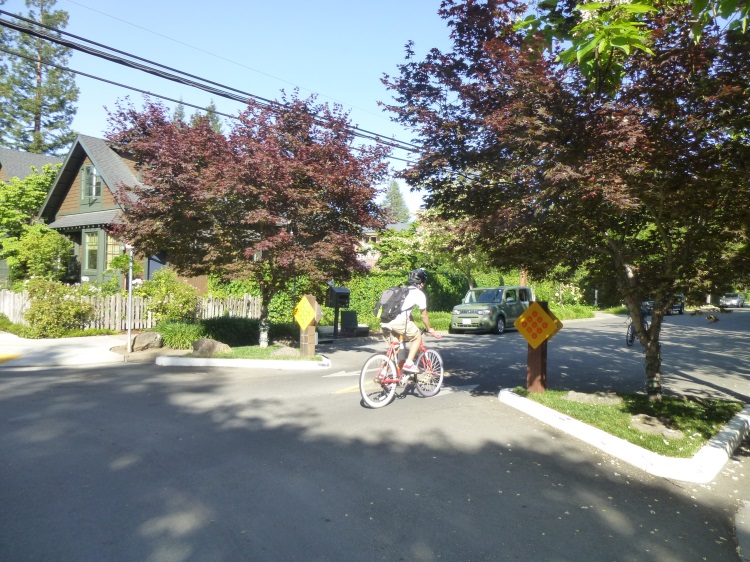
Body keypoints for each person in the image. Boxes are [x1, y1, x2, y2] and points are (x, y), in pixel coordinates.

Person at [380, 268, 440, 375]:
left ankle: (383, 371)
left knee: (395, 347)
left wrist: (412, 322)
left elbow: (406, 311)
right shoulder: (419, 294)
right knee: (417, 337)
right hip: (399, 323)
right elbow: (424, 315)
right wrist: (430, 329)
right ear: (421, 283)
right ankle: (409, 363)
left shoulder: (403, 291)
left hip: (385, 321)